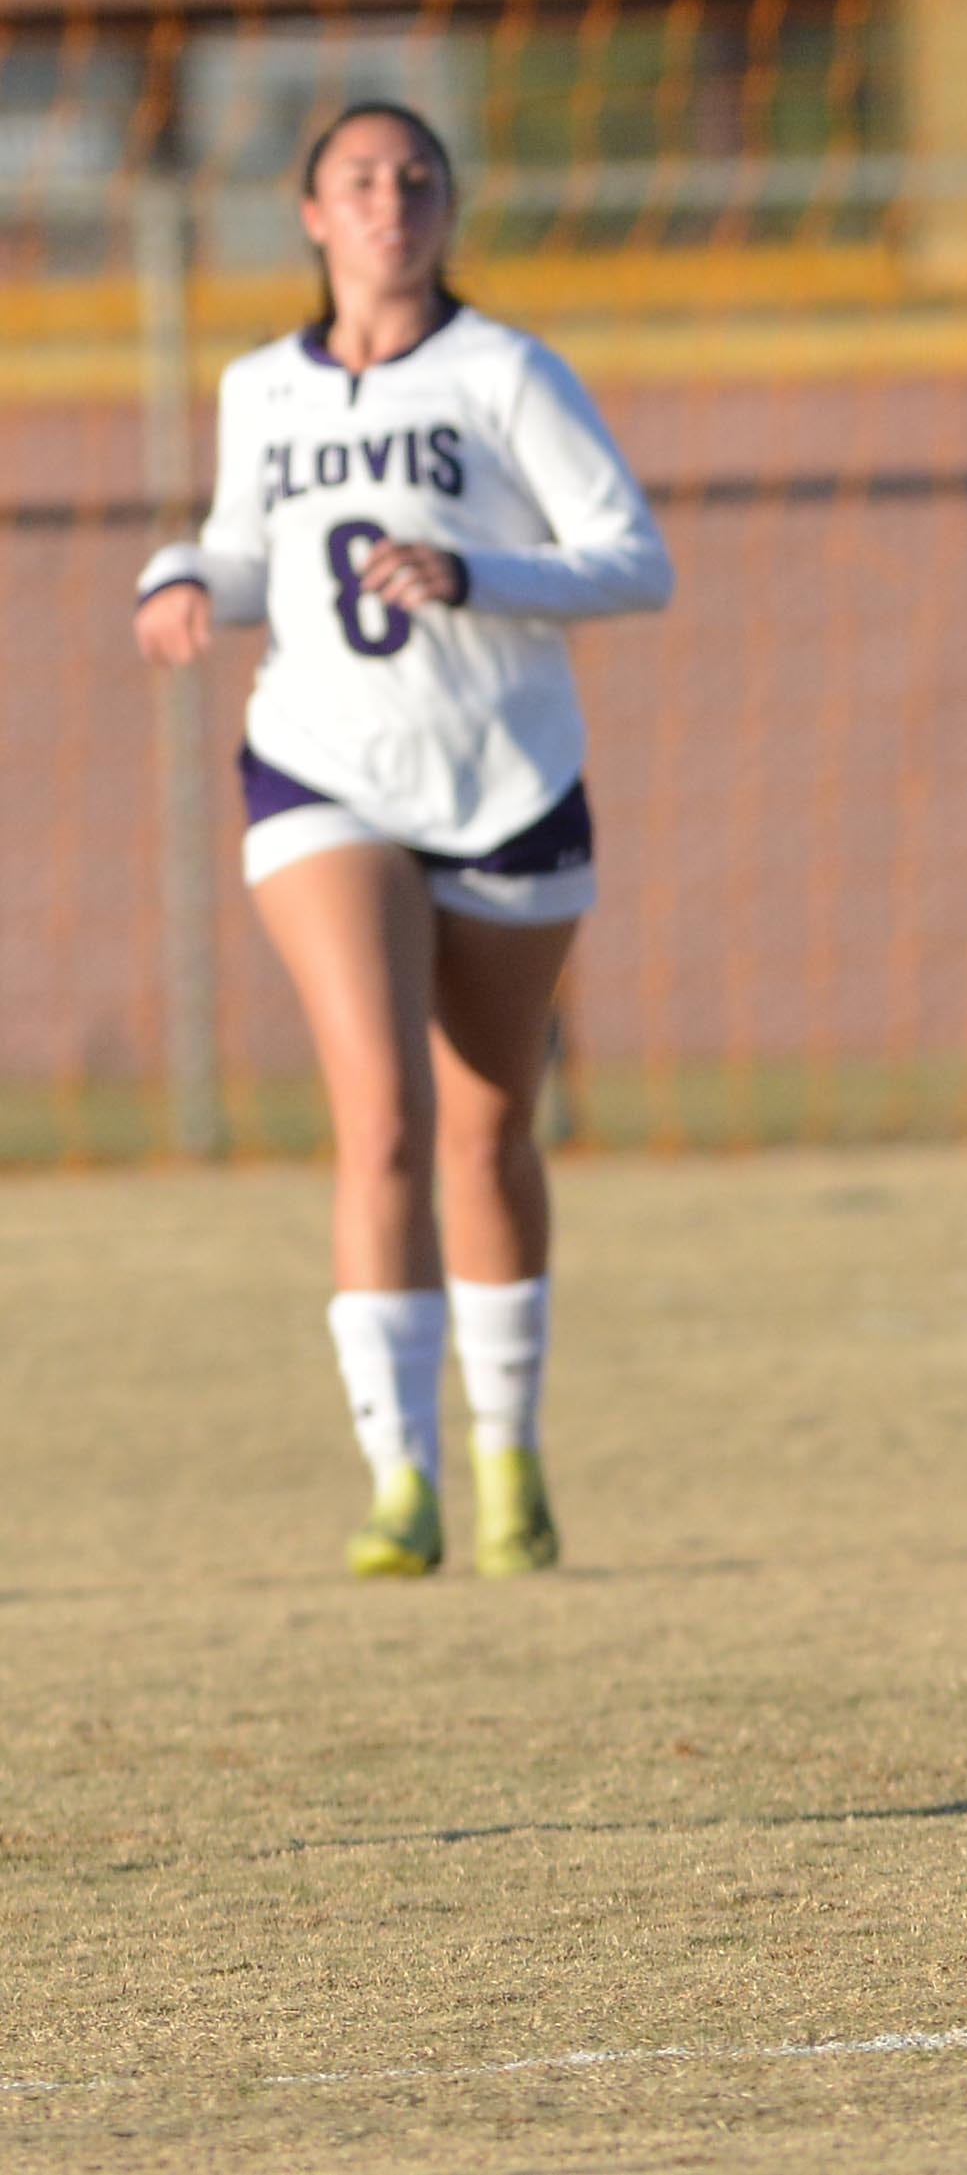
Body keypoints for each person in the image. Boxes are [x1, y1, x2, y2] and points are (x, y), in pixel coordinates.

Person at [131, 101, 672, 1576]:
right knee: (381, 1118)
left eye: (416, 178)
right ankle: (400, 1477)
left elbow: (636, 560)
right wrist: (179, 575)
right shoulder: (262, 389)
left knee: (490, 1124)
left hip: (504, 779)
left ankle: (508, 1455)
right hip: (321, 771)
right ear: (310, 213)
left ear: (447, 207)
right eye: (360, 180)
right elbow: (248, 549)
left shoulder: (504, 370)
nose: (390, 201)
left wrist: (477, 570)